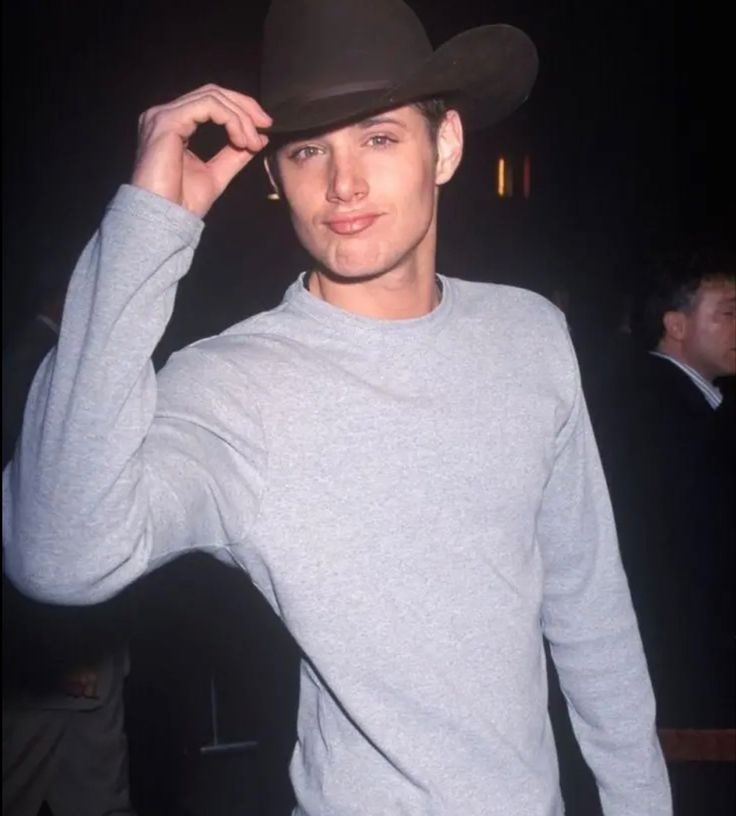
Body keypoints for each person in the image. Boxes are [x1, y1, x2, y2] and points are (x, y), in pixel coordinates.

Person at [3, 1, 671, 814]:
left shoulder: (529, 333)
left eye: (380, 137)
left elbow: (589, 605)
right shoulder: (234, 386)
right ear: (275, 176)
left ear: (446, 147)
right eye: (309, 149)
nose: (343, 182)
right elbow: (59, 558)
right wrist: (149, 225)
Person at [591, 242, 735, 813]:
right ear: (675, 325)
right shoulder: (658, 413)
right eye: (727, 311)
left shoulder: (685, 405)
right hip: (685, 685)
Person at [2, 282, 135, 816]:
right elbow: (45, 509)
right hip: (52, 638)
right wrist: (71, 644)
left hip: (66, 636)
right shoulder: (43, 366)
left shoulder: (31, 358)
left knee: (90, 780)